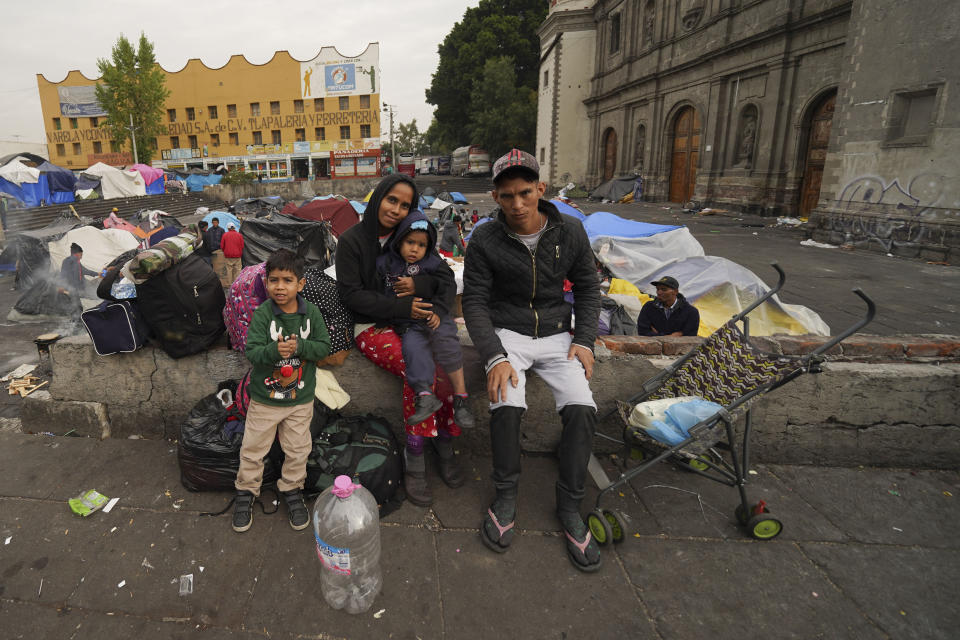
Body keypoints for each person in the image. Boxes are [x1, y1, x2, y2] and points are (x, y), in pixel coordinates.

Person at [462, 149, 602, 572]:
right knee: (505, 403)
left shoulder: (571, 231)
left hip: (558, 334)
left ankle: (571, 505)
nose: (518, 205)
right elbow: (475, 303)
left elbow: (589, 289)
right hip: (509, 332)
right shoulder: (484, 239)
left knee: (582, 409)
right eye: (507, 196)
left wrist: (586, 340)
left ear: (541, 189)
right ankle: (505, 496)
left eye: (525, 193)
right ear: (495, 197)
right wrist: (493, 355)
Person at [336, 174, 468, 507]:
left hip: (413, 321)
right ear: (378, 197)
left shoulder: (410, 235)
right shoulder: (352, 241)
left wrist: (420, 290)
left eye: (405, 204)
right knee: (416, 368)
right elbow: (352, 296)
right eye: (391, 199)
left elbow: (445, 281)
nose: (396, 210)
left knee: (445, 362)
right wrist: (401, 305)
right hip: (371, 327)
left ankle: (446, 442)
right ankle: (416, 456)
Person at [233, 248, 331, 533]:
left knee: (298, 449)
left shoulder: (310, 313)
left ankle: (291, 489)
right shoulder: (264, 315)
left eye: (287, 280)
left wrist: (301, 347)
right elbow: (252, 352)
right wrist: (274, 351)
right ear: (266, 282)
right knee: (253, 449)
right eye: (274, 280)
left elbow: (324, 348)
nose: (280, 286)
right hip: (265, 399)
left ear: (300, 284)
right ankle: (246, 491)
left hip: (300, 400)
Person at [375, 209, 475, 432]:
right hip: (408, 323)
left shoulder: (433, 262)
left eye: (421, 245)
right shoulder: (386, 263)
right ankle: (425, 396)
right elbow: (377, 293)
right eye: (410, 242)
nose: (415, 249)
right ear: (399, 239)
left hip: (434, 317)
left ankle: (460, 397)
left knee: (446, 343)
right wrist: (385, 317)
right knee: (413, 350)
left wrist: (438, 311)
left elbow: (448, 286)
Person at [636, 276, 700, 337]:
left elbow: (690, 336)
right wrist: (669, 337)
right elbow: (643, 332)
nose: (659, 292)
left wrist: (656, 335)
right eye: (658, 289)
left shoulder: (691, 312)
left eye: (664, 289)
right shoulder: (649, 307)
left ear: (675, 292)